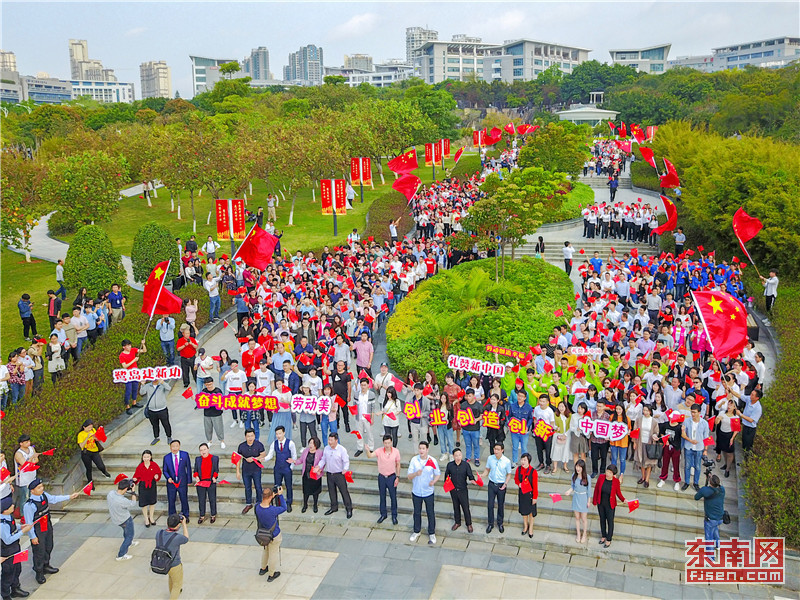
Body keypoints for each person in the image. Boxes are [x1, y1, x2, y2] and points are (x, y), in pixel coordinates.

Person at [23, 479, 80, 584]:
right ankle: (39, 572)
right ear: (32, 490)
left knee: (49, 546)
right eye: (39, 488)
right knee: (39, 551)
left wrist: (69, 496)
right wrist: (33, 537)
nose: (42, 489)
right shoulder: (29, 505)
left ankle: (46, 565)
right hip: (38, 529)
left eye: (42, 486)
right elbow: (29, 523)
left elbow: (54, 499)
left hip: (47, 525)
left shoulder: (43, 495)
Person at [313, 433, 353, 518]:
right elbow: (323, 459)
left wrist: (345, 469)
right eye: (329, 440)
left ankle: (349, 508)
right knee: (331, 491)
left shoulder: (342, 450)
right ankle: (334, 507)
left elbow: (346, 461)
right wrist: (319, 466)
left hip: (339, 474)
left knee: (344, 491)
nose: (330, 442)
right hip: (330, 473)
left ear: (336, 440)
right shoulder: (327, 449)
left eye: (331, 440)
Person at [1, 495, 33, 599]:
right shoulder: (2, 524)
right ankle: (5, 594)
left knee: (17, 569)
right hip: (7, 551)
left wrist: (20, 527)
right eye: (11, 505)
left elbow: (13, 526)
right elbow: (8, 540)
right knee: (8, 573)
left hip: (15, 548)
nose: (13, 506)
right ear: (5, 510)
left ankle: (15, 588)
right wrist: (23, 532)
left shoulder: (9, 516)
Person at [408, 441, 440, 545]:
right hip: (416, 491)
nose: (421, 450)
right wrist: (416, 473)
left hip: (428, 492)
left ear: (427, 449)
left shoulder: (432, 461)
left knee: (430, 513)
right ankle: (416, 531)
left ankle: (432, 533)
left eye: (423, 448)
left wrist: (433, 481)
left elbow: (438, 474)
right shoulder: (414, 460)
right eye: (420, 448)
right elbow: (409, 476)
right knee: (417, 512)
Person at [364, 435, 401, 525]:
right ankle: (383, 514)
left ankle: (394, 515)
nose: (387, 445)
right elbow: (370, 456)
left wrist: (398, 476)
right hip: (382, 477)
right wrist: (367, 450)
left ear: (391, 442)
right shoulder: (379, 451)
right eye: (385, 443)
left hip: (391, 477)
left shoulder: (396, 451)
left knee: (393, 497)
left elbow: (398, 464)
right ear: (383, 443)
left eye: (389, 443)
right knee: (382, 496)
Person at [254, 486, 287, 582]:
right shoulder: (272, 510)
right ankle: (272, 574)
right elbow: (284, 507)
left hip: (263, 534)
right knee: (273, 553)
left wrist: (272, 496)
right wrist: (280, 496)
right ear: (271, 496)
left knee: (266, 550)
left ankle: (263, 568)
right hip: (274, 535)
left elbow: (264, 502)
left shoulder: (257, 507)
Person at [480, 443, 513, 534]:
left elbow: (509, 475)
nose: (496, 451)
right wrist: (483, 475)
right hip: (491, 484)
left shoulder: (506, 461)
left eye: (498, 449)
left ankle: (500, 523)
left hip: (501, 485)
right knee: (490, 504)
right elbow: (487, 469)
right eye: (495, 449)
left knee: (500, 505)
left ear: (502, 450)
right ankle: (490, 523)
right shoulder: (490, 458)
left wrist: (505, 484)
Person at [155, 513, 189, 600]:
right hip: (175, 564)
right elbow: (186, 538)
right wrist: (184, 524)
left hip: (164, 563)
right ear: (178, 525)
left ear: (167, 523)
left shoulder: (159, 533)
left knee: (171, 579)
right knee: (177, 585)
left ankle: (172, 593)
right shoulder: (177, 538)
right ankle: (173, 595)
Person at [593, 464, 625, 548]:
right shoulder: (601, 477)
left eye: (610, 472)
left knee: (610, 521)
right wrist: (594, 501)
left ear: (613, 474)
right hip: (601, 503)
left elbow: (618, 493)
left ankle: (609, 539)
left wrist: (623, 499)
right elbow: (596, 489)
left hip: (610, 505)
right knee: (602, 519)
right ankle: (603, 535)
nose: (608, 473)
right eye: (607, 471)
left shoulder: (616, 482)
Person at [444, 448, 476, 532]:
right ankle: (457, 522)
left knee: (465, 507)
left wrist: (474, 480)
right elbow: (446, 476)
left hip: (463, 490)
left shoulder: (466, 465)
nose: (458, 457)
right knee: (456, 506)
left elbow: (470, 475)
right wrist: (448, 485)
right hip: (453, 490)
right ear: (453, 456)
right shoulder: (450, 465)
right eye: (456, 455)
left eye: (459, 455)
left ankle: (469, 524)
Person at [106, 478, 140, 561]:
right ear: (125, 489)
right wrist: (133, 492)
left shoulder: (110, 494)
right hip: (125, 519)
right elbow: (133, 503)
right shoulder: (122, 500)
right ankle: (121, 555)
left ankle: (129, 542)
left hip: (116, 519)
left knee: (126, 532)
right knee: (129, 536)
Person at [264, 426, 296, 512]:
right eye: (277, 434)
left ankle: (289, 503)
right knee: (277, 486)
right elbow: (270, 455)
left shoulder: (290, 443)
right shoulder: (274, 443)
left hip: (287, 468)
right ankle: (278, 503)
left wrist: (291, 467)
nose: (278, 435)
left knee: (289, 486)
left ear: (284, 433)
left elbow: (294, 456)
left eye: (280, 433)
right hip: (278, 468)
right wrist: (264, 459)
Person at [236, 429, 266, 515]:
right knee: (247, 487)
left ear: (254, 436)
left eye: (252, 436)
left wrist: (254, 458)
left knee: (258, 487)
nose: (250, 438)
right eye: (248, 436)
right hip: (246, 471)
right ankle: (248, 504)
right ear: (245, 437)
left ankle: (259, 503)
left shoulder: (259, 444)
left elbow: (263, 454)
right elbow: (238, 459)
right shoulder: (241, 446)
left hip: (256, 470)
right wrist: (237, 471)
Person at [681, 403, 710, 492]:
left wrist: (705, 450)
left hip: (699, 448)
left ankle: (696, 483)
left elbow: (706, 437)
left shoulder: (704, 423)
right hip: (689, 447)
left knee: (697, 466)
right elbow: (683, 434)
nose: (692, 414)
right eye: (691, 412)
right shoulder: (687, 421)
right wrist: (690, 440)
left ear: (699, 412)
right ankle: (686, 482)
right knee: (687, 466)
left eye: (694, 412)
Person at [694, 474, 725, 550]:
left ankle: (710, 558)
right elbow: (717, 485)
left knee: (709, 538)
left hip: (710, 519)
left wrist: (707, 481)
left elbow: (696, 497)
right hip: (720, 517)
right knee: (715, 529)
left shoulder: (705, 490)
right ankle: (718, 545)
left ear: (710, 482)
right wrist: (712, 479)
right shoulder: (722, 489)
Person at [77, 419, 110, 489]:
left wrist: (95, 437)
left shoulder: (93, 430)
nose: (90, 429)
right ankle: (90, 483)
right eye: (88, 427)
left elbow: (98, 439)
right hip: (86, 453)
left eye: (91, 427)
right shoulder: (80, 434)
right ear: (84, 427)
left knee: (100, 465)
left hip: (95, 451)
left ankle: (104, 471)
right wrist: (87, 437)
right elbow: (81, 446)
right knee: (89, 469)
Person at [139, 378, 173, 446]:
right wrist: (142, 385)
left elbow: (169, 388)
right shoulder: (148, 386)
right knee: (154, 425)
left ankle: (169, 437)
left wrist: (163, 382)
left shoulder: (162, 385)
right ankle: (156, 437)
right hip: (152, 410)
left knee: (166, 424)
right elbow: (142, 392)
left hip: (162, 409)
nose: (155, 379)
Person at [163, 440, 191, 519]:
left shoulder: (185, 455)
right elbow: (164, 470)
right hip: (171, 483)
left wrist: (189, 480)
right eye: (173, 446)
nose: (175, 448)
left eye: (176, 446)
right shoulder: (166, 457)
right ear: (170, 447)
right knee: (171, 500)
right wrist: (168, 477)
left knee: (184, 499)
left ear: (179, 446)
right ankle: (172, 516)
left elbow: (188, 468)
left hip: (182, 482)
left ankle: (185, 515)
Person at [133, 450, 161, 527]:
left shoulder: (154, 465)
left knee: (152, 502)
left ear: (150, 457)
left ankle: (151, 517)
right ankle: (146, 518)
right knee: (144, 503)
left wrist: (157, 476)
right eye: (144, 457)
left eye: (148, 457)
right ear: (142, 457)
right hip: (143, 486)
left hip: (152, 485)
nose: (146, 458)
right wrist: (135, 479)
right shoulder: (140, 466)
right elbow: (136, 476)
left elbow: (158, 473)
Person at [565, 459, 591, 544]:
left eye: (580, 467)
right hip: (576, 497)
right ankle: (578, 534)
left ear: (583, 468)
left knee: (584, 518)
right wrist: (569, 491)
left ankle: (584, 534)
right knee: (577, 517)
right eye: (577, 466)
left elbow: (589, 490)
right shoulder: (574, 475)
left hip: (583, 497)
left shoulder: (587, 477)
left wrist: (588, 501)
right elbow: (572, 486)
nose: (578, 468)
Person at [294, 437, 322, 513]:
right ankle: (305, 505)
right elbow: (301, 460)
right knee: (306, 491)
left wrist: (319, 470)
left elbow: (322, 463)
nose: (311, 445)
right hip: (306, 474)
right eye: (310, 443)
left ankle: (315, 505)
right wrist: (294, 461)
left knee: (315, 492)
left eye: (312, 443)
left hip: (315, 475)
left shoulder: (319, 452)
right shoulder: (306, 451)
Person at [192, 443, 219, 524]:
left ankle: (213, 515)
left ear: (208, 449)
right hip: (201, 482)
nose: (203, 451)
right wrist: (196, 477)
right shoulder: (198, 459)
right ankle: (202, 515)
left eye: (204, 449)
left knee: (212, 499)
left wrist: (214, 477)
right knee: (201, 499)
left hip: (210, 481)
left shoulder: (214, 458)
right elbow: (195, 471)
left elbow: (216, 470)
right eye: (201, 450)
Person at [507, 389, 533, 467]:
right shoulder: (512, 406)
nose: (520, 398)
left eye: (522, 396)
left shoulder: (528, 407)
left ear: (525, 398)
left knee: (524, 447)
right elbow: (510, 416)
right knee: (515, 447)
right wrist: (510, 424)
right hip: (514, 431)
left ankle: (524, 462)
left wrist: (527, 427)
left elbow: (530, 418)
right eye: (518, 395)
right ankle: (514, 461)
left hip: (524, 431)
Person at [119, 339, 146, 415]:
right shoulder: (122, 355)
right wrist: (134, 360)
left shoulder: (133, 350)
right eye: (127, 346)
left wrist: (143, 344)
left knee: (135, 388)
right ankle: (127, 406)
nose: (129, 347)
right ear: (124, 347)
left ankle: (134, 402)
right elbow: (124, 366)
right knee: (128, 390)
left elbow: (144, 350)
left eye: (130, 345)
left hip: (135, 373)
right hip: (128, 374)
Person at [515, 453, 538, 538]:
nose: (523, 462)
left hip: (531, 494)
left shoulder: (533, 471)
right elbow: (516, 479)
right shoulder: (519, 469)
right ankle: (525, 526)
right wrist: (519, 484)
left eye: (525, 460)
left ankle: (531, 528)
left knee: (531, 512)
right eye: (522, 459)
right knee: (524, 512)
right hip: (522, 494)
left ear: (529, 461)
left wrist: (535, 497)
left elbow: (535, 486)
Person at [200, 378, 226, 449]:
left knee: (219, 428)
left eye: (210, 384)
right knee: (208, 428)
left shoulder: (218, 391)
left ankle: (222, 441)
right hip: (207, 413)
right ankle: (209, 441)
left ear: (213, 383)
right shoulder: (204, 391)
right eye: (207, 385)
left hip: (216, 413)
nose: (209, 386)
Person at [533, 394, 555, 473]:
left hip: (546, 433)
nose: (541, 403)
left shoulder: (550, 411)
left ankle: (548, 465)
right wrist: (535, 429)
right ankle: (541, 463)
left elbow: (552, 422)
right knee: (539, 448)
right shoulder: (536, 409)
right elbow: (535, 419)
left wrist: (549, 432)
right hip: (538, 431)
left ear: (547, 402)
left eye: (543, 401)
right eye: (540, 401)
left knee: (548, 449)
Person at [737, 389, 762, 453]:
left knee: (748, 446)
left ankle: (747, 460)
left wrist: (740, 414)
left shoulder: (758, 408)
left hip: (750, 429)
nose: (750, 396)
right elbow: (740, 396)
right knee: (744, 443)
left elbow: (751, 420)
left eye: (752, 395)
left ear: (757, 398)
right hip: (745, 426)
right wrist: (731, 390)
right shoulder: (749, 399)